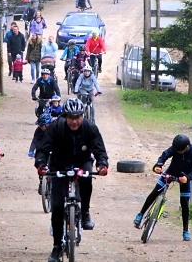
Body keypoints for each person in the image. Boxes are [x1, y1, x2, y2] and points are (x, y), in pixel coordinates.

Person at [35, 98, 109, 262]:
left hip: (82, 161)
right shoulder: (55, 127)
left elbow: (99, 148)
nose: (74, 121)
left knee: (87, 179)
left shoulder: (89, 127)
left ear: (82, 116)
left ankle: (85, 213)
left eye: (78, 117)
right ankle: (56, 248)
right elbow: (44, 148)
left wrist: (102, 164)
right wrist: (41, 163)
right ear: (64, 116)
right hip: (59, 164)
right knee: (57, 206)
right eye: (71, 117)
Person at [133, 134, 192, 241]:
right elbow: (165, 155)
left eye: (180, 151)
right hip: (171, 172)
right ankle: (140, 214)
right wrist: (158, 165)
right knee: (155, 192)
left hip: (184, 177)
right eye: (176, 150)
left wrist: (187, 178)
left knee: (184, 203)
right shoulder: (175, 148)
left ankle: (185, 231)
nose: (177, 152)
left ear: (187, 147)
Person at [28, 112, 53, 194]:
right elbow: (34, 141)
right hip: (42, 149)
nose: (40, 127)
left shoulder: (53, 129)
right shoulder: (38, 130)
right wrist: (31, 151)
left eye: (41, 125)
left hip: (52, 149)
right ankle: (42, 180)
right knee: (39, 162)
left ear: (47, 124)